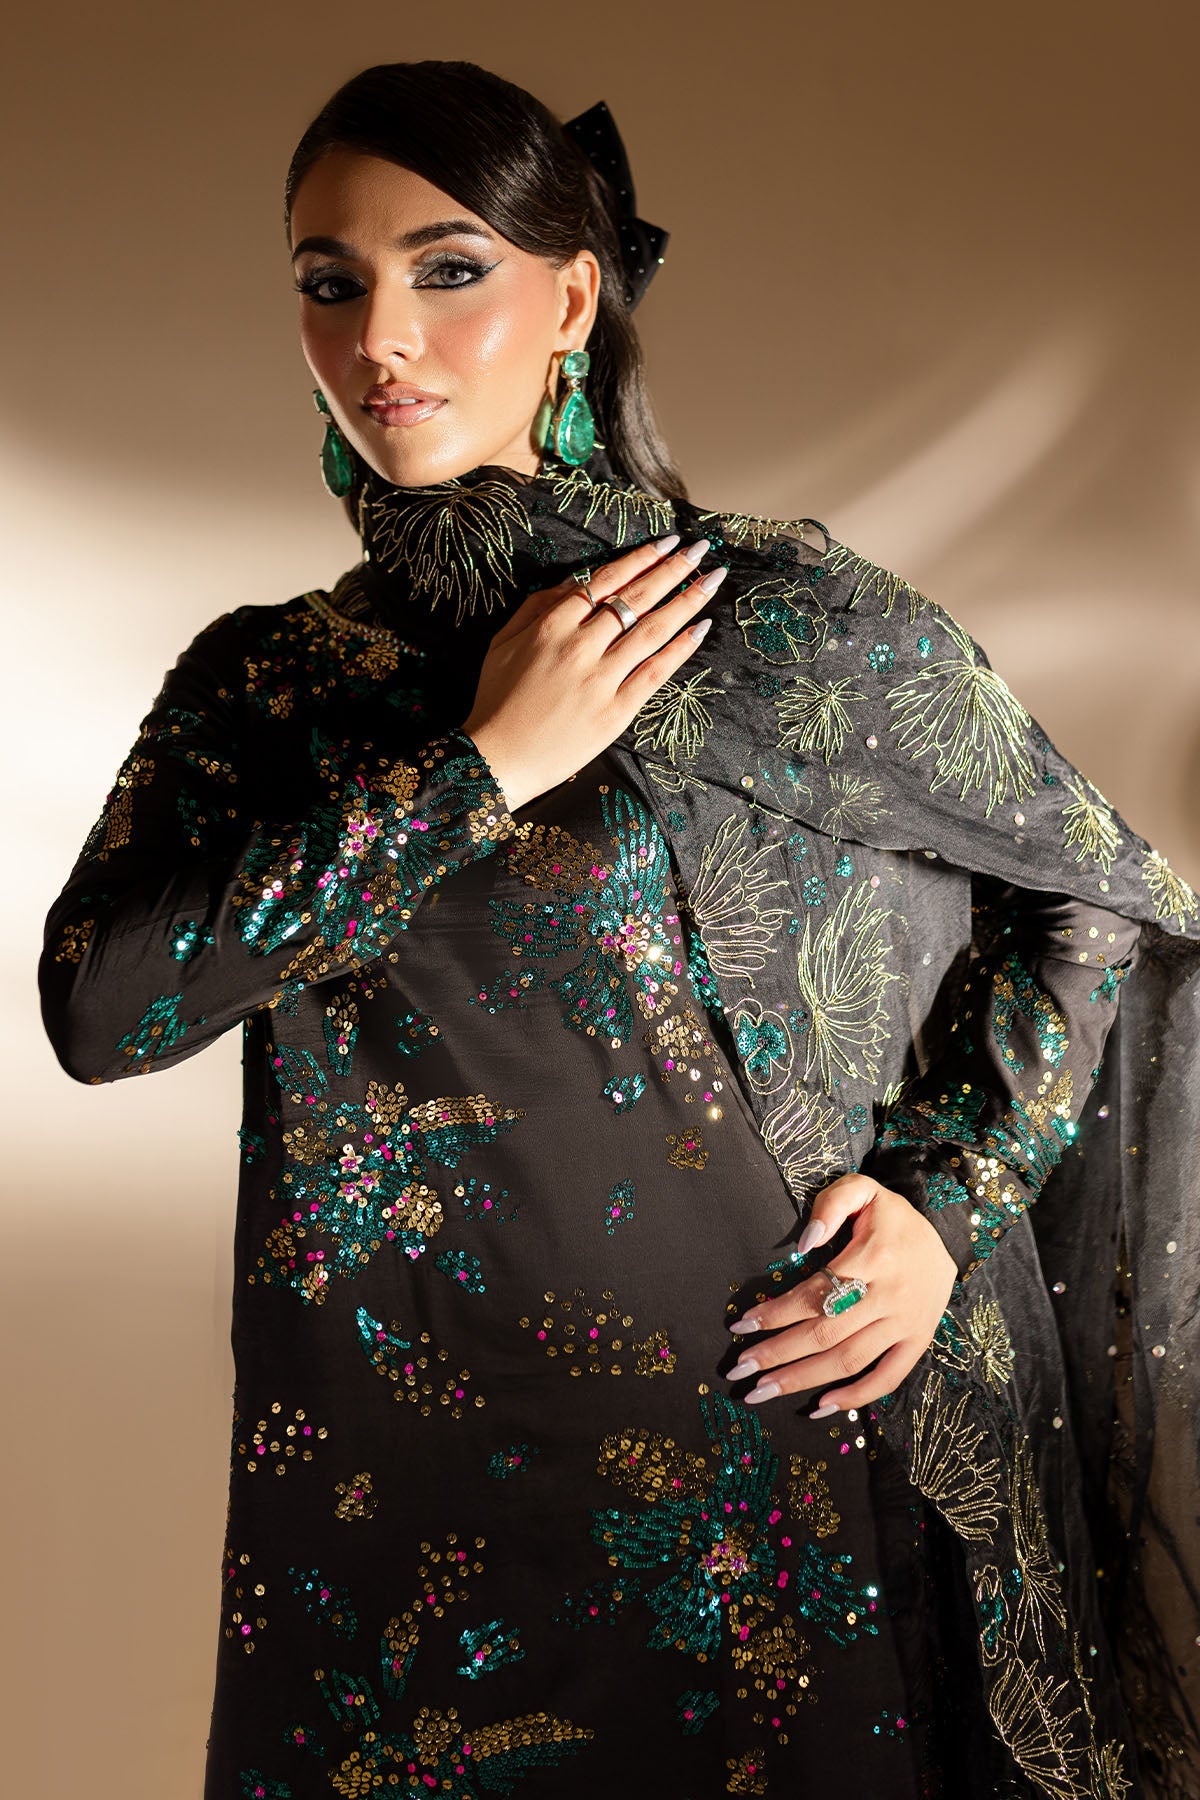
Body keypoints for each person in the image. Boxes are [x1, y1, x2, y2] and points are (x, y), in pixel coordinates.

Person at [38, 60, 1200, 1800]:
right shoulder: (270, 684)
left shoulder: (767, 620)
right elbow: (102, 1012)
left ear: (574, 300)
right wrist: (482, 767)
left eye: (449, 270)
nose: (380, 339)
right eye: (329, 283)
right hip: (393, 1508)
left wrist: (947, 1204)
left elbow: (1096, 891)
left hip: (752, 1459)